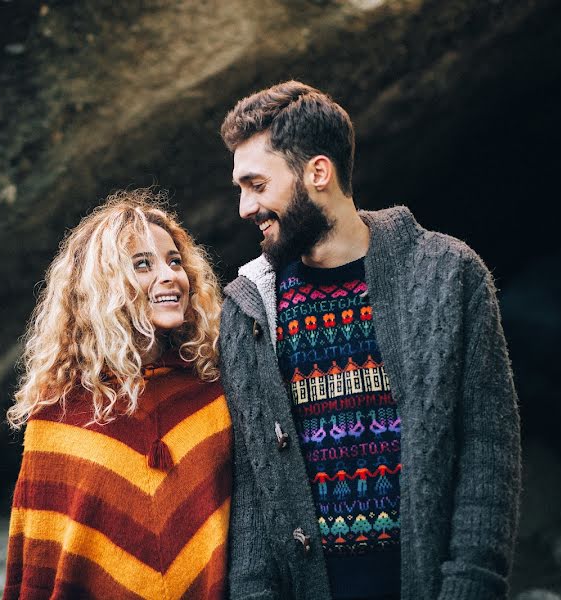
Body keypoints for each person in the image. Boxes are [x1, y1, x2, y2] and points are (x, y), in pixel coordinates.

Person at [217, 81, 520, 600]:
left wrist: (471, 584)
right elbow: (251, 479)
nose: (245, 207)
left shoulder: (446, 274)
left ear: (317, 172)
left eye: (257, 184)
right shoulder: (250, 308)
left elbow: (488, 446)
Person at [3, 189, 232, 599]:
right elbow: (40, 566)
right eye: (142, 264)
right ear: (102, 289)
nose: (168, 275)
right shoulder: (58, 419)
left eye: (174, 261)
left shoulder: (214, 393)